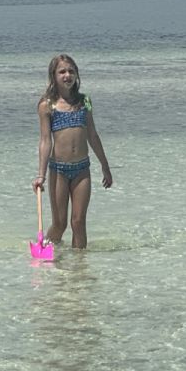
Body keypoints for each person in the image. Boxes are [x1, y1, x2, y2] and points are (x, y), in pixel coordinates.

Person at [32, 54, 113, 248]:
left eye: (71, 71)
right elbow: (45, 141)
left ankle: (79, 263)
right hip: (59, 170)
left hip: (82, 169)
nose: (67, 75)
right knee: (60, 224)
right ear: (54, 76)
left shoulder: (84, 101)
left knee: (78, 222)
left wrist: (105, 166)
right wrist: (41, 175)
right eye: (62, 72)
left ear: (76, 74)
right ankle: (47, 250)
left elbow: (92, 135)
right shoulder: (47, 105)